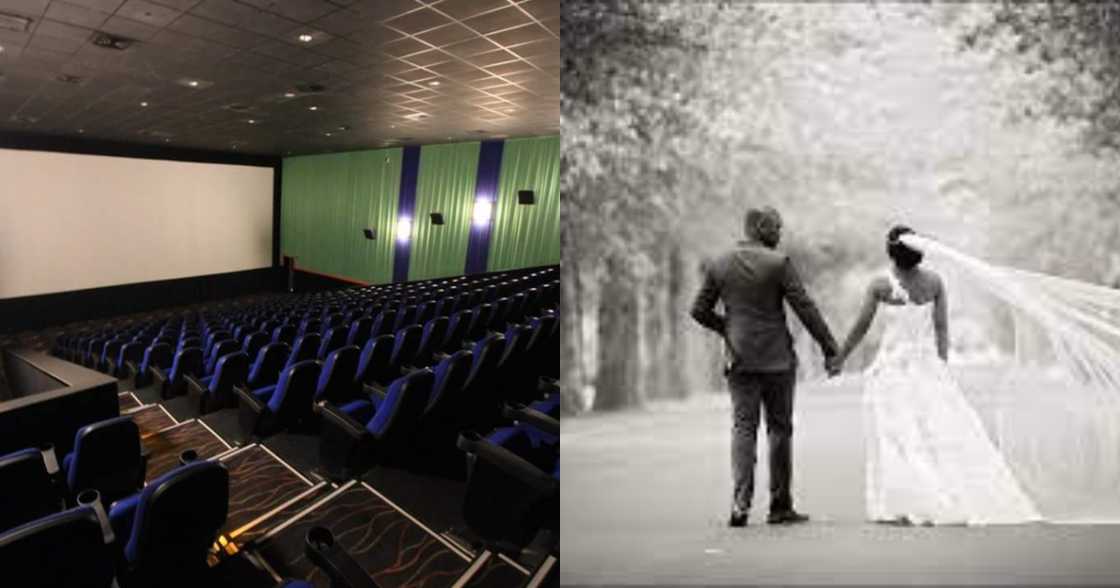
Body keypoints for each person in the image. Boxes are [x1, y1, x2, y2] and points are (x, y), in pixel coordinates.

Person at [834, 226, 1042, 525]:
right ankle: (942, 492)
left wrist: (840, 357)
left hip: (893, 368)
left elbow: (861, 326)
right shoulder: (934, 282)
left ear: (890, 251)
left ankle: (907, 498)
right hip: (926, 365)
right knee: (936, 429)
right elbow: (942, 327)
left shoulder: (880, 285)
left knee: (898, 433)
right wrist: (941, 365)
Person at [691, 206, 840, 527]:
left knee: (743, 428)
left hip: (739, 357)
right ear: (759, 227)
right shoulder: (779, 263)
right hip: (777, 360)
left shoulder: (720, 263)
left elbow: (698, 310)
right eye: (776, 227)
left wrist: (727, 328)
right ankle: (780, 506)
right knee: (779, 429)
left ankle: (740, 504)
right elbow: (805, 307)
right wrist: (829, 348)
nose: (780, 233)